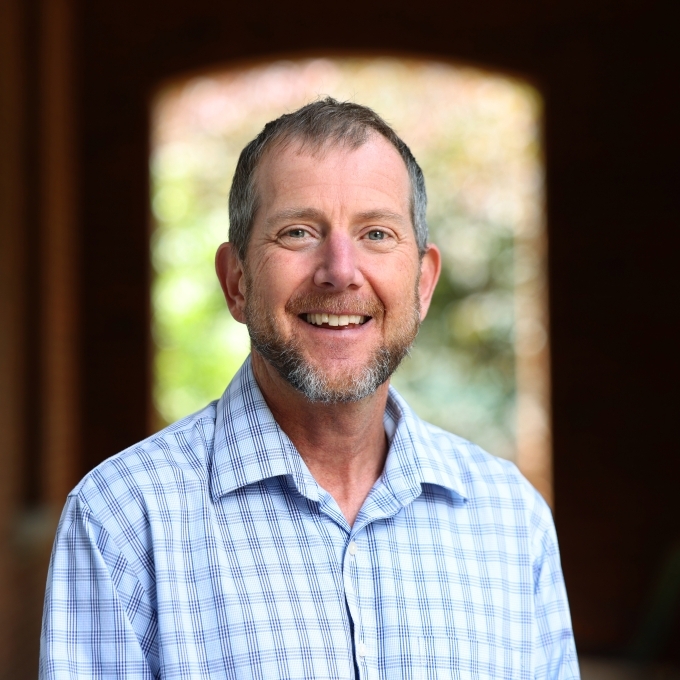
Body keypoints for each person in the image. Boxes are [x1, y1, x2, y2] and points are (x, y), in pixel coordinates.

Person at [40, 98, 579, 679]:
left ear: (422, 284)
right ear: (237, 281)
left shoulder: (511, 518)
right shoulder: (122, 520)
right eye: (298, 232)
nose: (340, 269)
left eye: (376, 233)